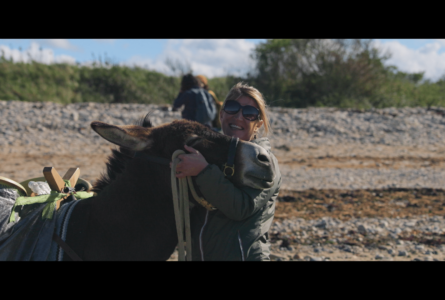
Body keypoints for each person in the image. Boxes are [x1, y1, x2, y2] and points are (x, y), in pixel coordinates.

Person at [173, 82, 282, 261]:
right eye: (232, 108)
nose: (239, 117)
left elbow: (240, 208)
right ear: (221, 114)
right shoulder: (206, 153)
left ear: (258, 124)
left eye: (249, 114)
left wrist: (203, 171)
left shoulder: (264, 163)